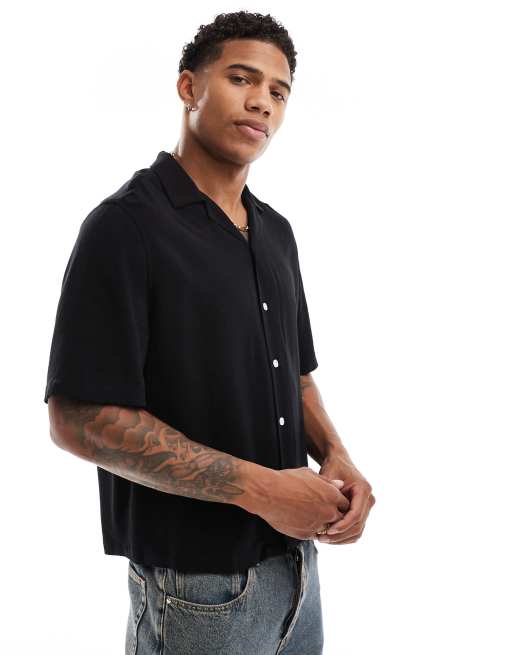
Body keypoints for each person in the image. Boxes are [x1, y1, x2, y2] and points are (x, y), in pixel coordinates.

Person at [44, 10, 375, 655]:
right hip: (196, 590)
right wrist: (263, 489)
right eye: (241, 79)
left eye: (279, 91)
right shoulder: (125, 227)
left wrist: (335, 454)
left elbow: (294, 370)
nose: (263, 103)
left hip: (297, 567)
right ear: (189, 86)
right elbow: (77, 419)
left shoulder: (275, 232)